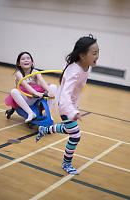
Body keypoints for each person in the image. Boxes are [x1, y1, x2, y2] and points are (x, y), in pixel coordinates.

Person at [36, 34, 99, 175]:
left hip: (71, 104)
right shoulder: (74, 71)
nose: (97, 55)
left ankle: (44, 130)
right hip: (65, 105)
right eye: (94, 53)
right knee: (75, 136)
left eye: (98, 52)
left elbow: (68, 68)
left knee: (67, 129)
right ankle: (66, 163)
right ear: (82, 55)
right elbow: (65, 95)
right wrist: (71, 112)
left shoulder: (85, 66)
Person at [5, 51, 57, 123]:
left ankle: (47, 113)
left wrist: (50, 91)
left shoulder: (35, 71)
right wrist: (35, 93)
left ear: (32, 62)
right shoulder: (18, 74)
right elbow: (25, 85)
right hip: (26, 97)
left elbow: (42, 82)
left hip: (36, 98)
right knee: (13, 91)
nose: (26, 60)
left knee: (53, 87)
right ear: (18, 63)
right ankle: (30, 113)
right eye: (23, 59)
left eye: (28, 58)